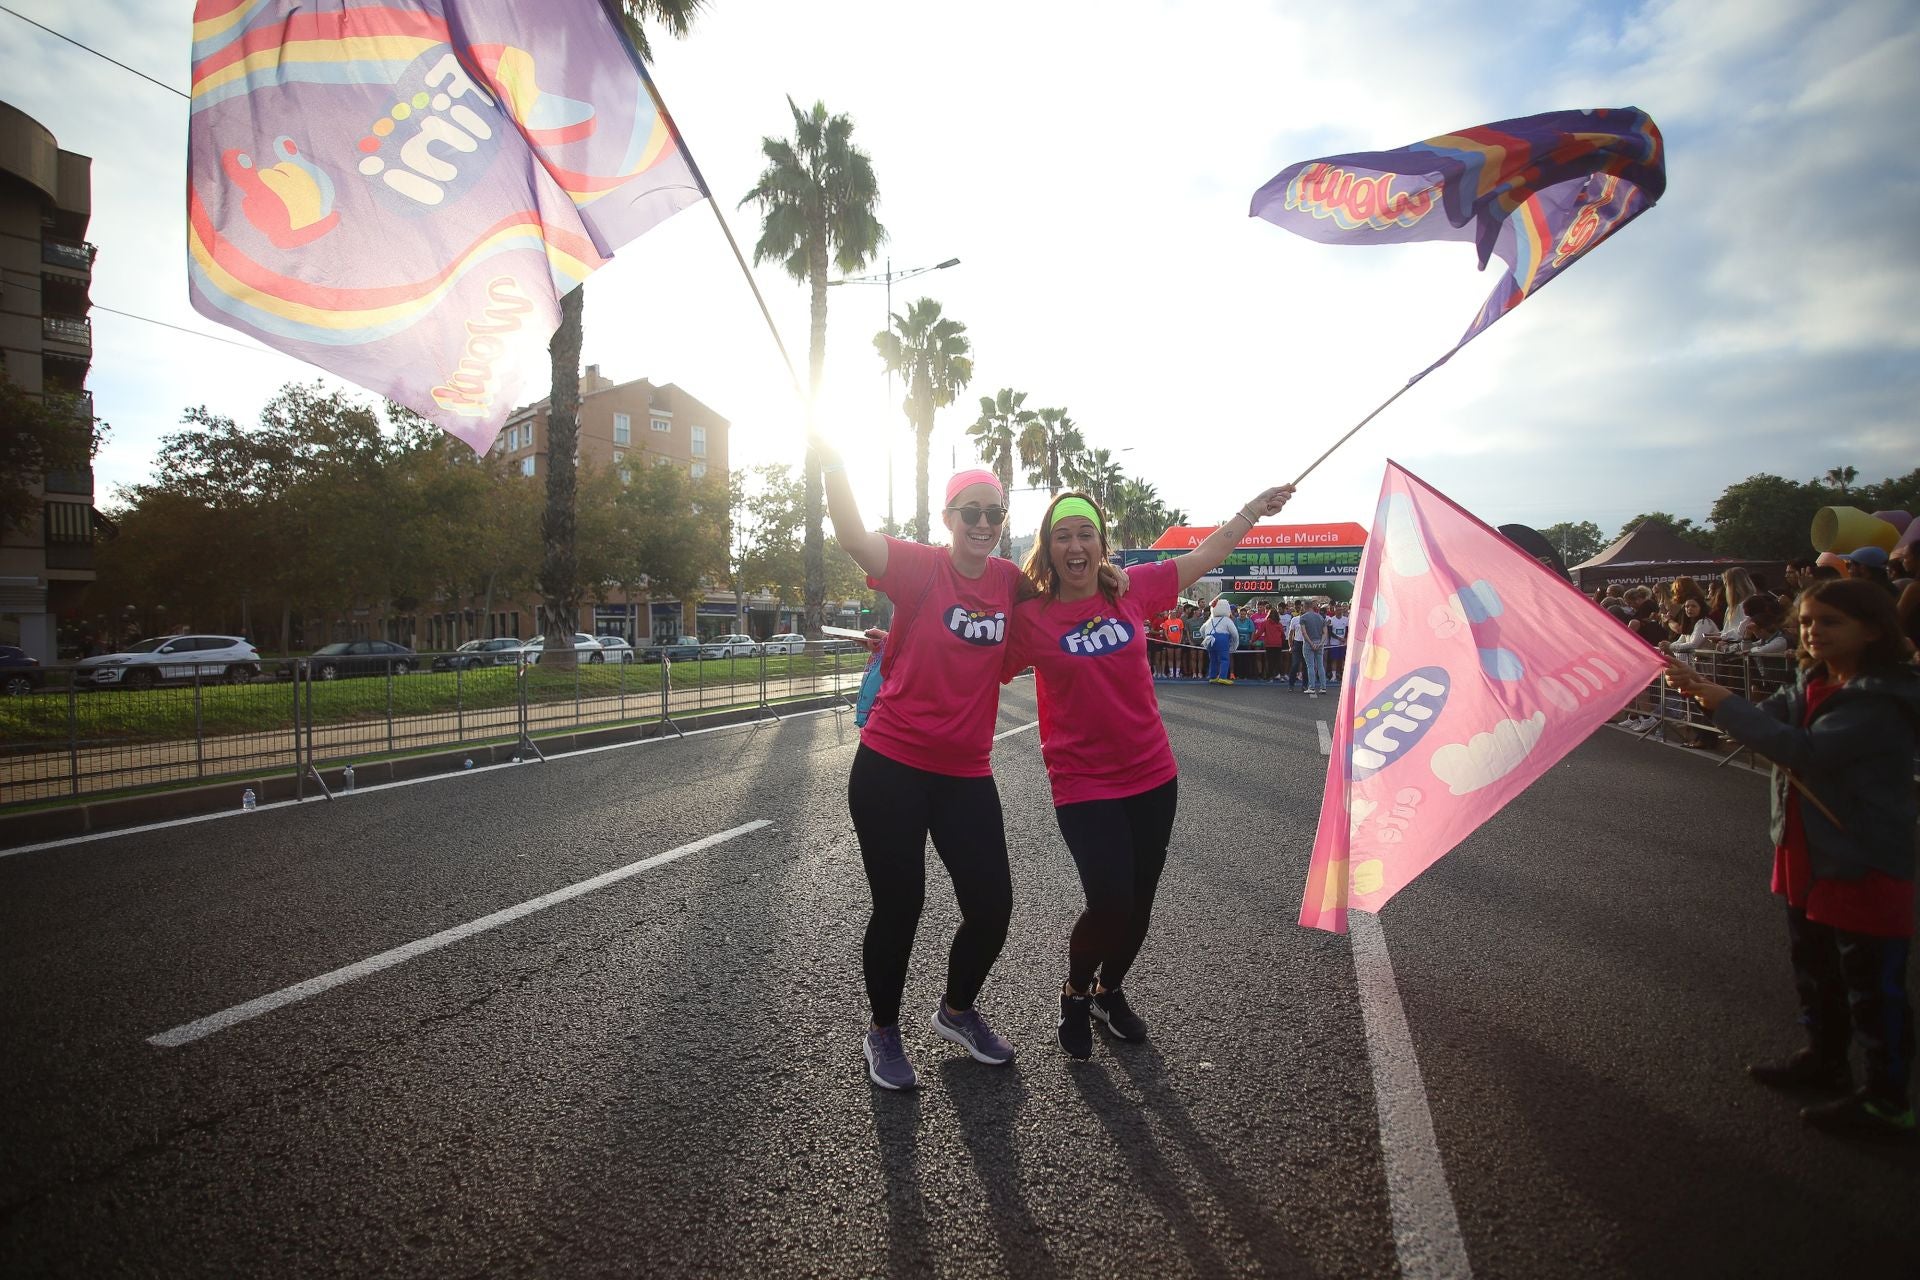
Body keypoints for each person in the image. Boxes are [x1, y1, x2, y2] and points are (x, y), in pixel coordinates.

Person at [816, 444, 1127, 1091]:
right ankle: (882, 1031)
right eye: (971, 513)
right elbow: (850, 535)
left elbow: (1067, 581)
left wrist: (1112, 576)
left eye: (994, 513)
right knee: (901, 906)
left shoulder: (1009, 581)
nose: (983, 524)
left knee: (991, 906)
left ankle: (956, 1010)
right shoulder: (917, 566)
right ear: (948, 517)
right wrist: (834, 461)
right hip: (890, 766)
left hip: (964, 773)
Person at [1004, 483, 1295, 1058]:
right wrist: (899, 647)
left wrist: (1252, 510)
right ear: (1048, 547)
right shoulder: (1032, 618)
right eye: (1063, 536)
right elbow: (974, 661)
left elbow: (1208, 555)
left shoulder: (1130, 590)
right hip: (1082, 783)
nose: (1076, 545)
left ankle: (1111, 991)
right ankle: (1076, 992)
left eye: (1086, 533)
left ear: (1101, 543)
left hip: (1152, 775)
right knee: (1109, 900)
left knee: (1139, 900)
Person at [1666, 580, 1917, 1134]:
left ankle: (1887, 1096)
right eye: (1806, 621)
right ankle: (1825, 1060)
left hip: (1863, 859)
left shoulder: (1883, 699)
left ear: (1873, 630)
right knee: (1816, 968)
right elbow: (1766, 720)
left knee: (1873, 985)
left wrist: (1715, 696)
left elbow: (1802, 750)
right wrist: (1701, 686)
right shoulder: (1814, 680)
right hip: (1805, 851)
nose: (1812, 631)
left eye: (1830, 622)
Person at [1199, 597, 1237, 684]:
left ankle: (1212, 677)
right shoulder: (1227, 620)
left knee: (1213, 659)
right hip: (1222, 639)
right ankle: (1222, 677)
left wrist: (1206, 637)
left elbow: (1201, 630)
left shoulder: (1210, 620)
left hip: (1210, 640)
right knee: (1224, 659)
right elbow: (1234, 633)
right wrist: (1235, 644)